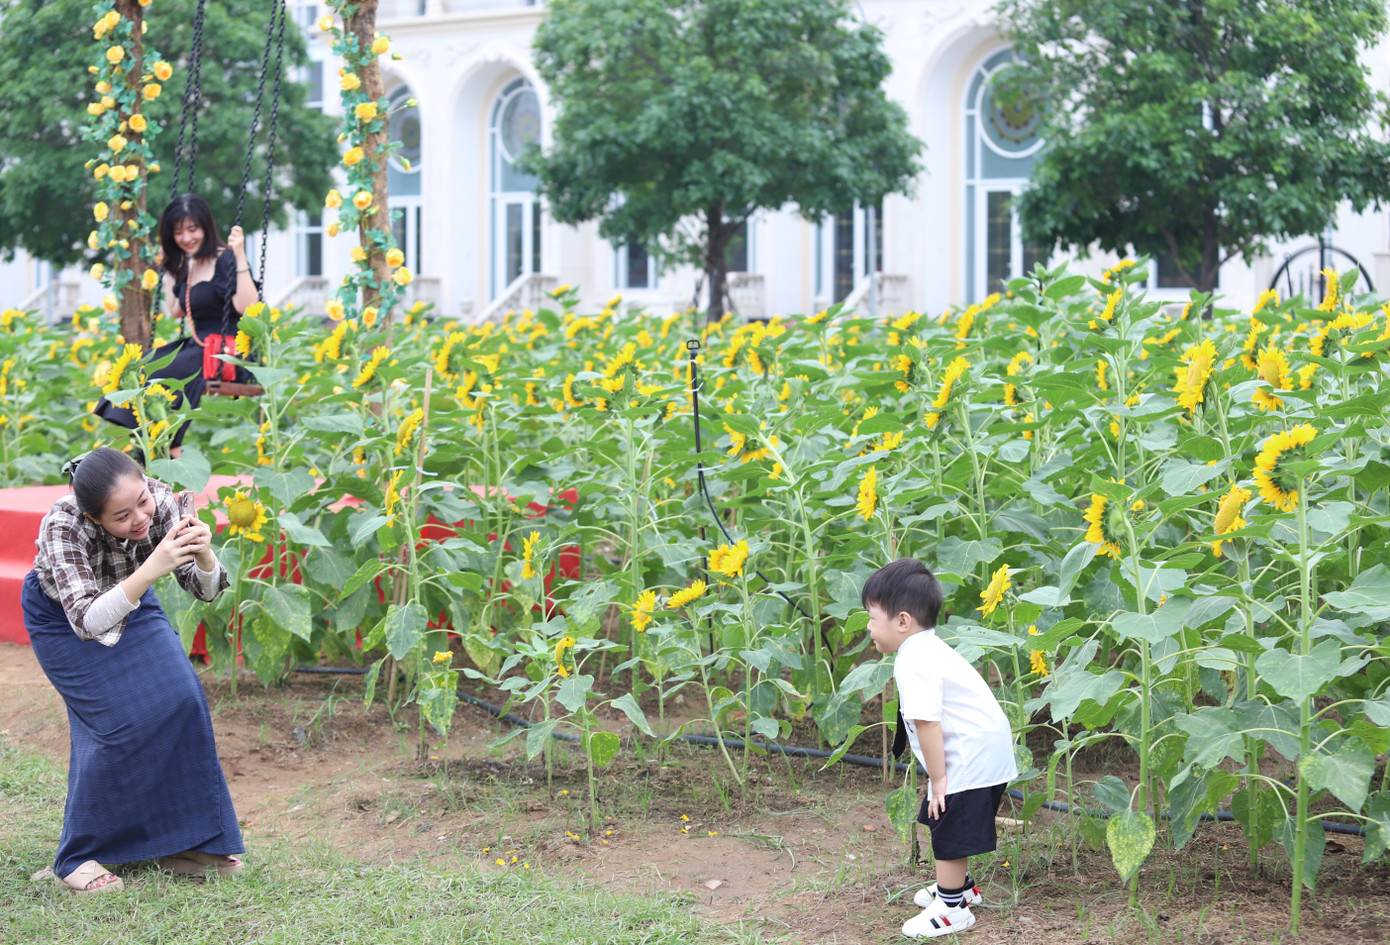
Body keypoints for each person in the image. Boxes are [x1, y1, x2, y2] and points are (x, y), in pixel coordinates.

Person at [23, 448, 244, 894]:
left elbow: (204, 591)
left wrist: (203, 555)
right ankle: (76, 857)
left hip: (131, 599)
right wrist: (153, 566)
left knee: (182, 699)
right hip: (64, 620)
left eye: (142, 500)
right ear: (93, 515)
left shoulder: (159, 503)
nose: (140, 518)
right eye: (121, 516)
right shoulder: (63, 524)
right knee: (114, 724)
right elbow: (87, 621)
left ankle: (184, 843)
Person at [863, 558, 1018, 938]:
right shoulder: (924, 649)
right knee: (945, 817)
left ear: (902, 621)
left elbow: (927, 723)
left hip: (970, 756)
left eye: (871, 618)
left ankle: (953, 907)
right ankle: (960, 888)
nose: (867, 627)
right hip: (982, 748)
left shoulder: (914, 660)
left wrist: (939, 778)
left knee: (947, 819)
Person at [93, 193, 260, 455]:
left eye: (193, 229)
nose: (186, 238)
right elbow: (176, 310)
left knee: (164, 371)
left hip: (226, 351)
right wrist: (169, 267)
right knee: (141, 365)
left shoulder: (225, 258)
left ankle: (171, 446)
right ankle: (149, 442)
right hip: (197, 344)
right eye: (179, 232)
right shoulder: (187, 264)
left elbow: (248, 308)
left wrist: (239, 256)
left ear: (206, 227)